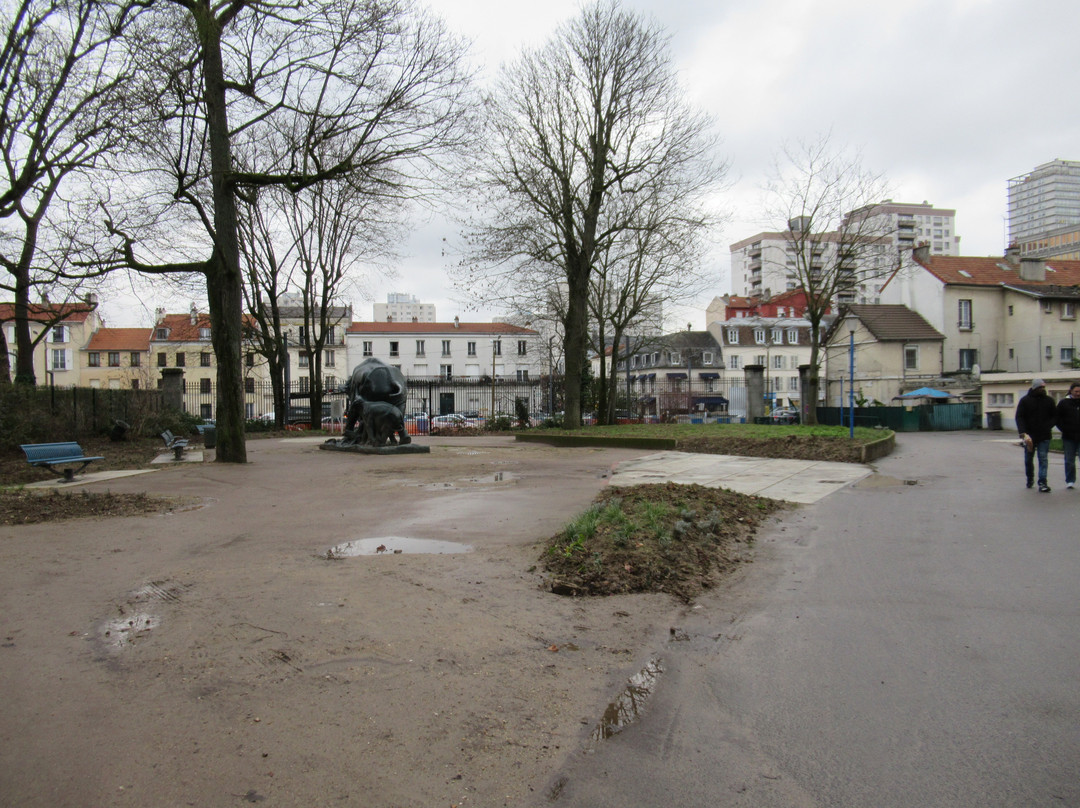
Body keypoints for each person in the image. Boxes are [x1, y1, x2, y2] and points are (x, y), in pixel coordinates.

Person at [1015, 378, 1056, 492]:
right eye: (1040, 387)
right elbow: (1019, 417)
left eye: (1043, 387)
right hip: (1029, 437)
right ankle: (1030, 478)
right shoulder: (1025, 401)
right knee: (1028, 459)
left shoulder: (1049, 401)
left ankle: (1042, 482)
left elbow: (1054, 416)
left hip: (1044, 435)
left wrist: (1048, 425)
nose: (1042, 389)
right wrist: (1022, 432)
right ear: (1034, 388)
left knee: (1043, 458)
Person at [1056, 381, 1080, 489]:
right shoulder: (1063, 403)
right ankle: (1070, 480)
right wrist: (1064, 429)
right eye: (1076, 391)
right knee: (1069, 460)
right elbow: (1057, 419)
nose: (1078, 393)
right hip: (1068, 437)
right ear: (1071, 391)